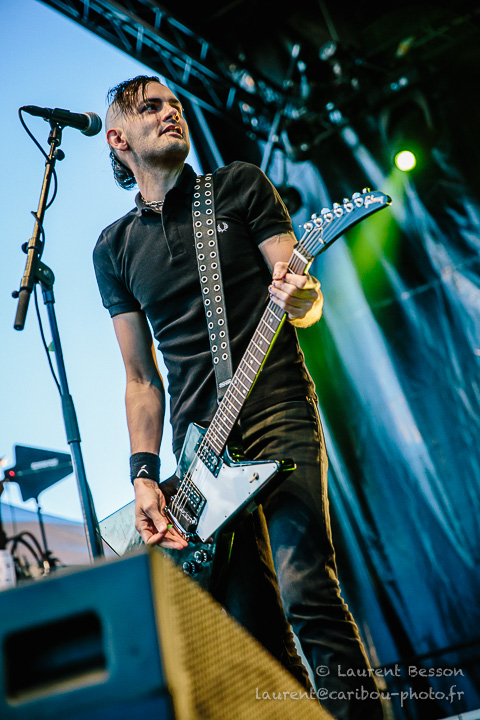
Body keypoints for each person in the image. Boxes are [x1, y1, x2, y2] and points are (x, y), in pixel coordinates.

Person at [93, 74, 384, 720]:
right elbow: (140, 379)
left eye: (174, 103)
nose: (171, 112)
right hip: (201, 455)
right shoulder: (113, 249)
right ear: (118, 139)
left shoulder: (238, 186)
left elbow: (302, 298)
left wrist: (302, 297)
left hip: (277, 407)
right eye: (151, 107)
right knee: (253, 636)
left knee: (309, 592)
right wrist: (144, 477)